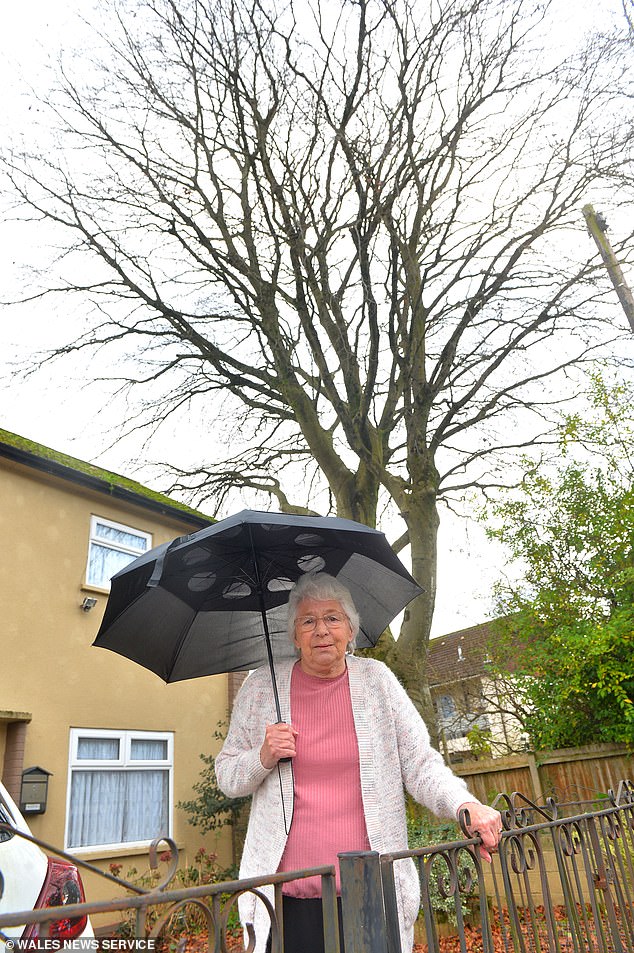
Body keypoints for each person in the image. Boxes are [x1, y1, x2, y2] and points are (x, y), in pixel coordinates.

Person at [215, 572, 502, 953]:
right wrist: (262, 757)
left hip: (369, 888)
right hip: (286, 898)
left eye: (333, 618)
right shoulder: (261, 688)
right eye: (308, 620)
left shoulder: (377, 681)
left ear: (351, 629)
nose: (322, 630)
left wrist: (463, 804)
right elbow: (227, 776)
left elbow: (419, 761)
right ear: (294, 634)